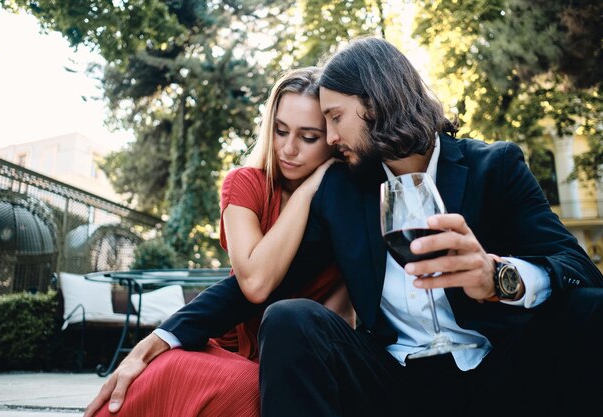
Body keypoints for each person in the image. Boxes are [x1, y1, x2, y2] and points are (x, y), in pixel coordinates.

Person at [87, 37, 603, 417]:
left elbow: (576, 268)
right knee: (291, 318)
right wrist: (158, 339)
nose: (329, 138)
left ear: (374, 105)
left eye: (334, 117)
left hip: (494, 373)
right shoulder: (345, 190)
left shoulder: (496, 168)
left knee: (588, 311)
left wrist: (497, 279)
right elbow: (261, 286)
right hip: (392, 384)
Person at [84, 67, 353, 417]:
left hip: (293, 359)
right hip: (221, 349)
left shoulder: (346, 205)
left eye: (309, 137)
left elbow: (338, 313)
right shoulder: (245, 184)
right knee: (153, 390)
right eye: (280, 130)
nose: (288, 149)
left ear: (332, 138)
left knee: (261, 392)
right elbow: (255, 282)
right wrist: (308, 190)